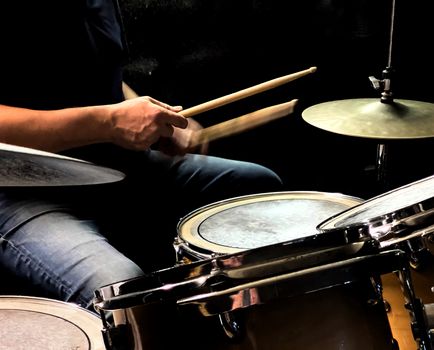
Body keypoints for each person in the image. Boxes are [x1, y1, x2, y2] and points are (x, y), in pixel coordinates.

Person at [0, 0, 283, 311]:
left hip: (115, 167)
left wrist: (154, 118)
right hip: (21, 192)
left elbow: (95, 74)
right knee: (123, 291)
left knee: (258, 190)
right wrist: (108, 122)